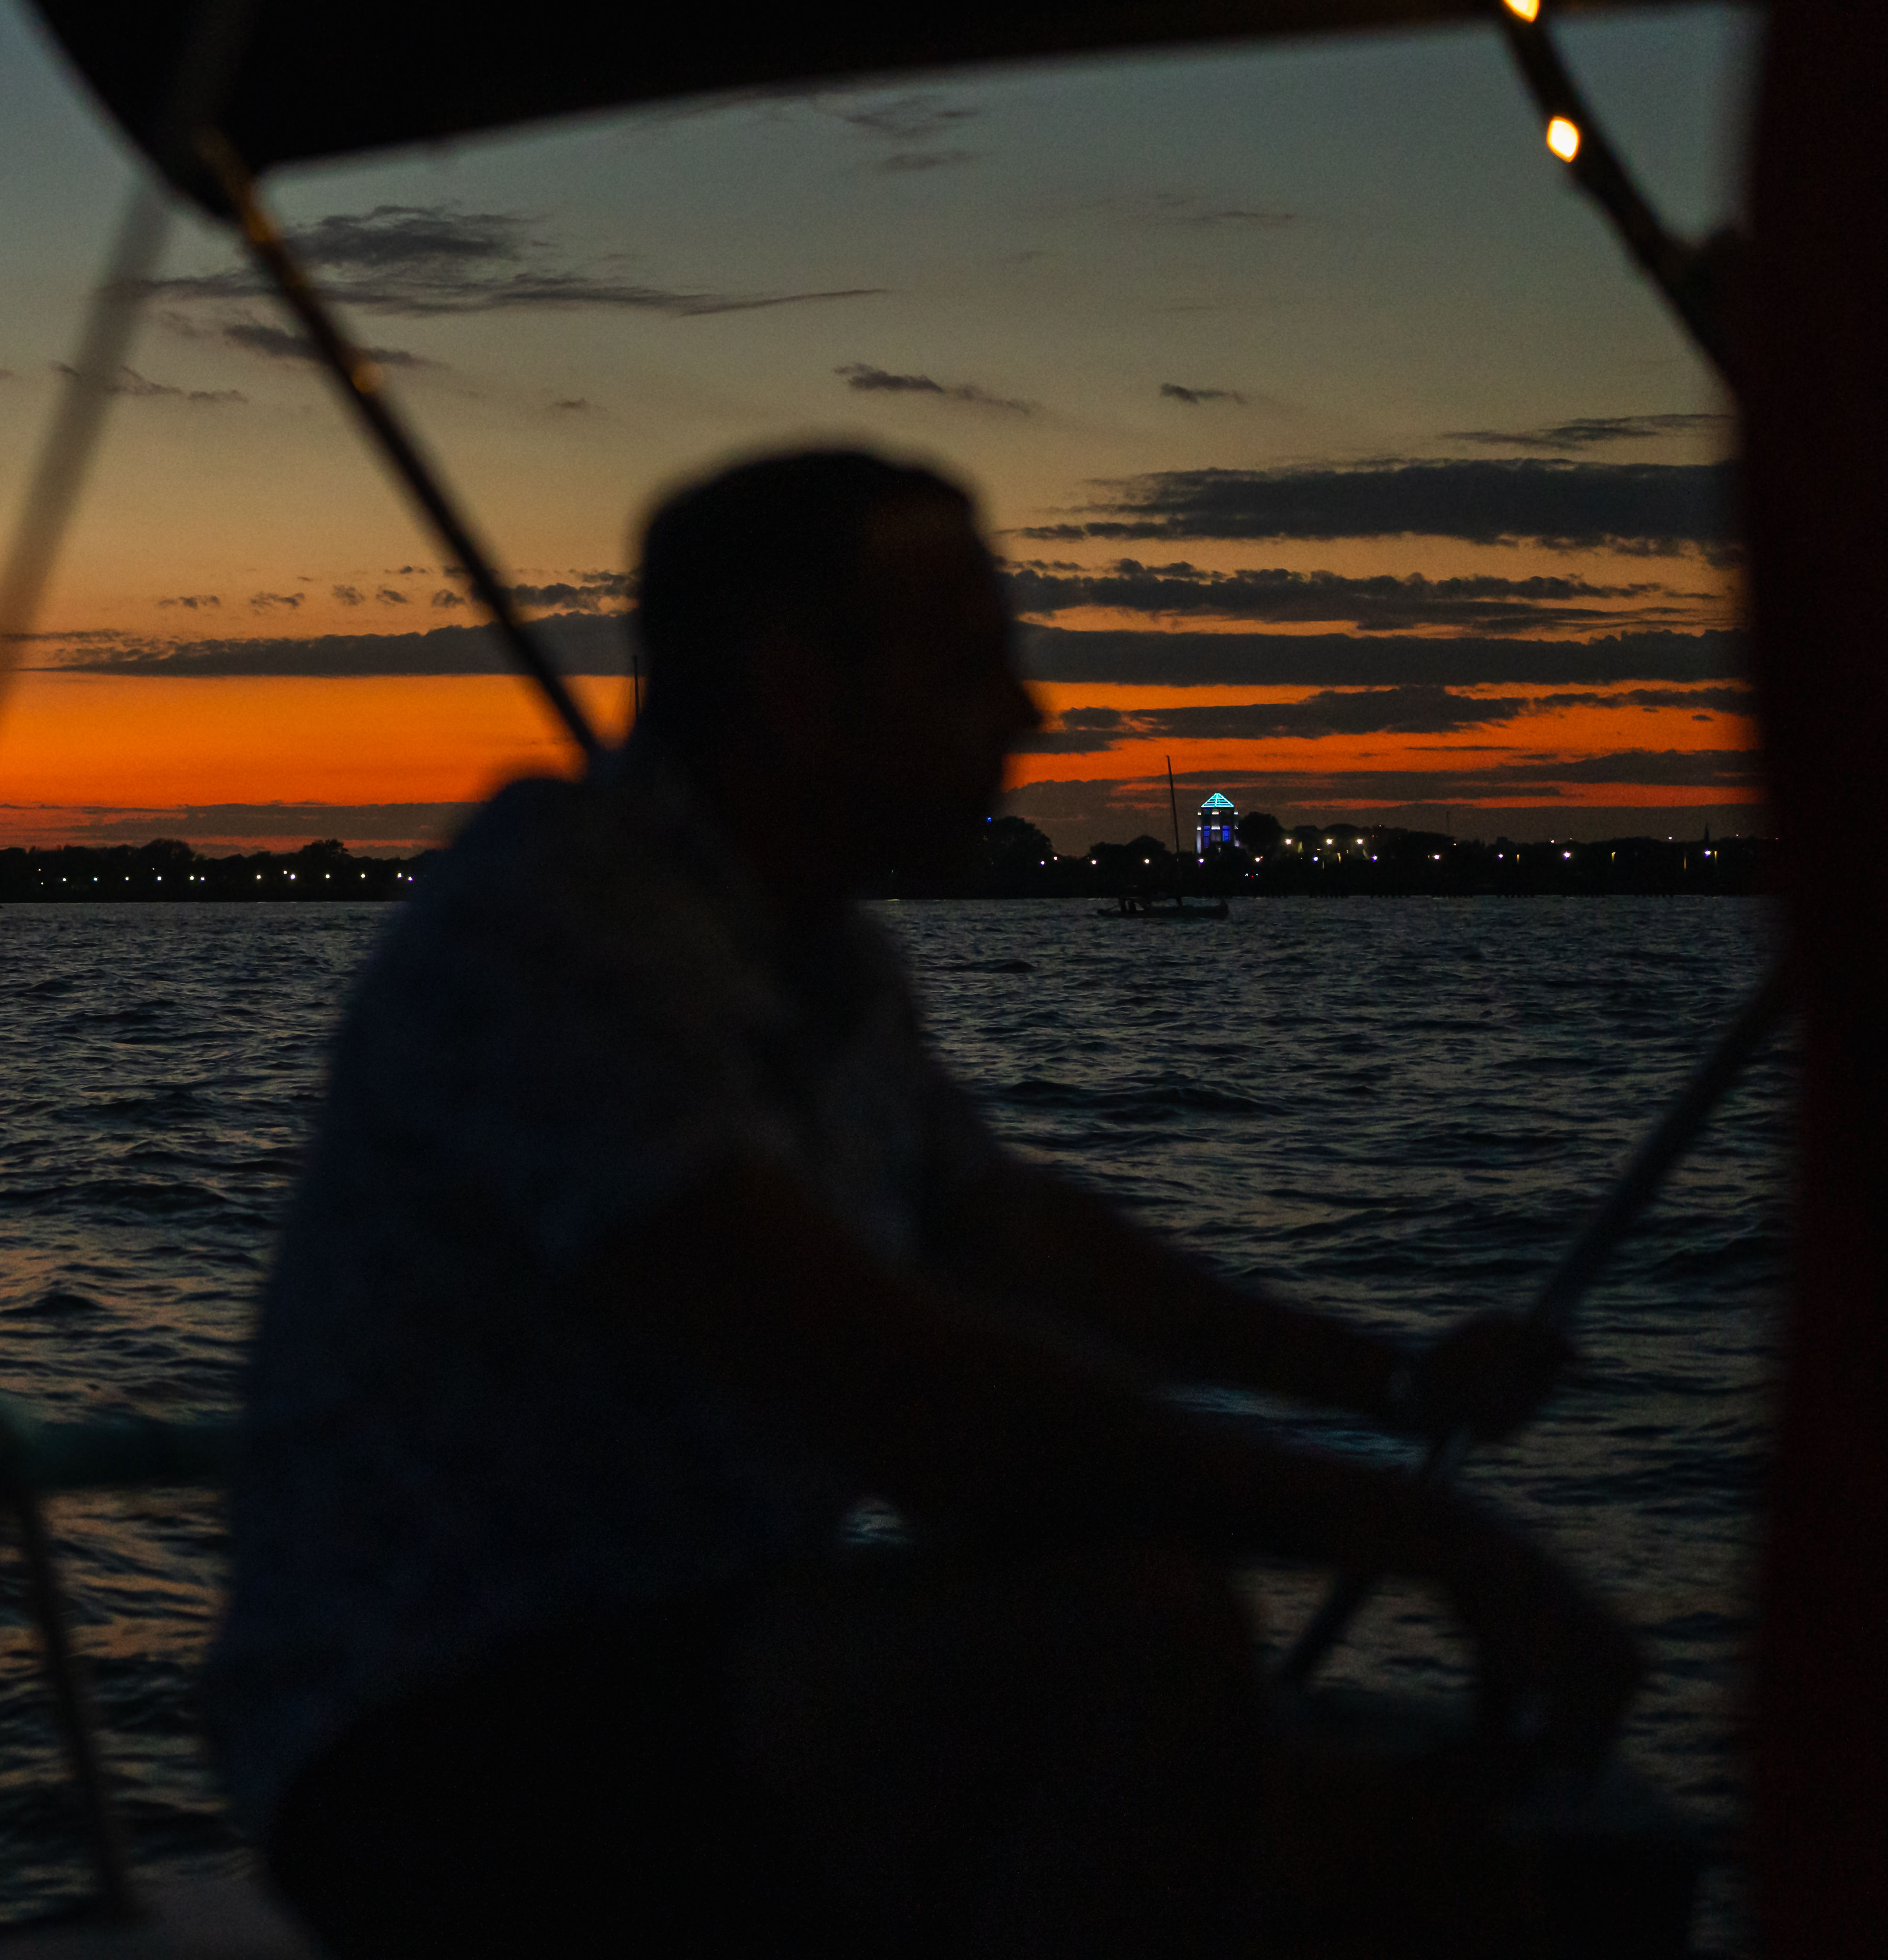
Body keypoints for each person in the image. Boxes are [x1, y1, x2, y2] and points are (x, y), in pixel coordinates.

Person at [206, 449, 1637, 1960]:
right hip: (434, 1748)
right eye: (971, 670)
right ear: (797, 693)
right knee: (1132, 1637)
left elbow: (1009, 1237)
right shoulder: (556, 932)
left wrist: (1392, 1379)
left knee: (1422, 1861)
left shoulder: (818, 955)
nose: (1029, 715)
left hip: (697, 1672)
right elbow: (923, 1402)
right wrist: (1423, 1537)